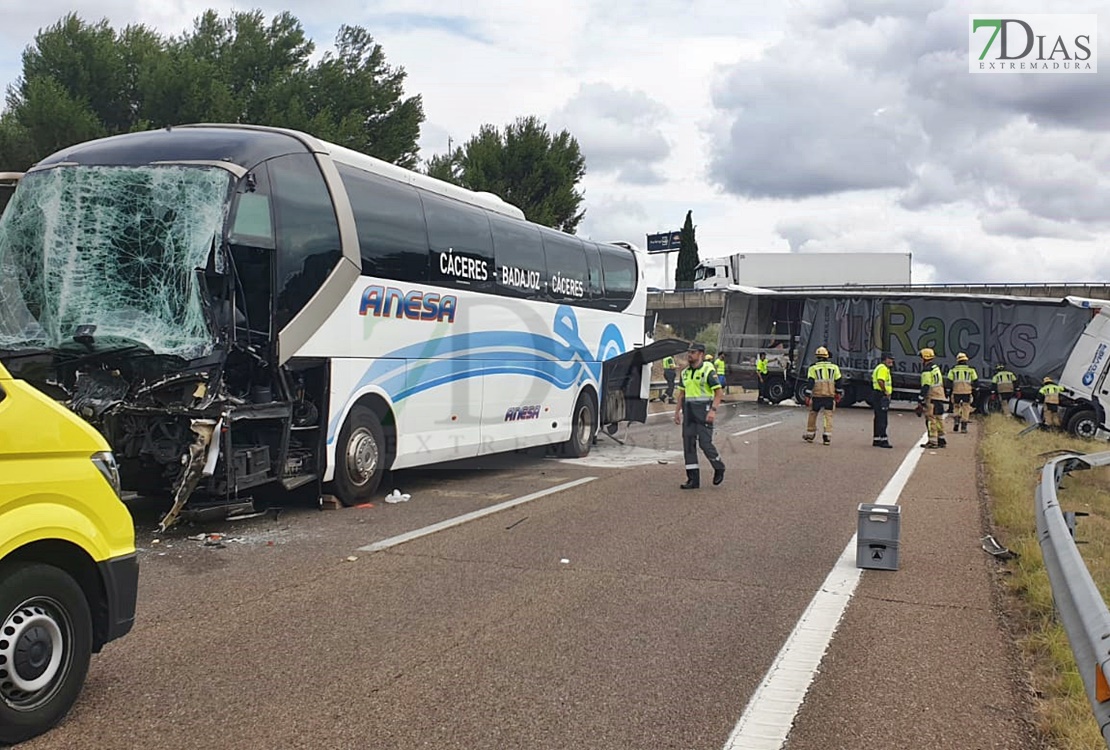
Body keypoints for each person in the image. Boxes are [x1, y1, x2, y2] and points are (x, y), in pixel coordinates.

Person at [673, 342, 726, 489]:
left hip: (704, 411)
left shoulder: (708, 370)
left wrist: (713, 410)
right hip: (689, 412)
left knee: (705, 443)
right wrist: (677, 412)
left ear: (701, 354)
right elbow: (682, 394)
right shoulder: (685, 373)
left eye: (693, 352)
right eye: (689, 352)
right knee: (688, 445)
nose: (689, 355)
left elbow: (719, 393)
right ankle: (693, 479)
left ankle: (719, 466)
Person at [803, 346, 842, 445]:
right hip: (829, 395)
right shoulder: (834, 367)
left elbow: (810, 382)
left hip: (817, 395)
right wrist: (838, 393)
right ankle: (827, 436)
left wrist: (807, 395)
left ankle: (810, 434)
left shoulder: (813, 368)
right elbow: (838, 381)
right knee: (828, 415)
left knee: (813, 414)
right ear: (827, 356)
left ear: (817, 356)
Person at [917, 348, 948, 449]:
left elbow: (926, 385)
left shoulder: (927, 370)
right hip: (939, 395)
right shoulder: (935, 368)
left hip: (932, 396)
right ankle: (941, 439)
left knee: (931, 419)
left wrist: (921, 398)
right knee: (939, 418)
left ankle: (932, 441)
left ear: (924, 358)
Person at [946, 352, 979, 433]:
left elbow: (949, 381)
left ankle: (956, 421)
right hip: (967, 392)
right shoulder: (971, 370)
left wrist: (949, 390)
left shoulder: (953, 370)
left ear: (958, 360)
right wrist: (975, 389)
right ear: (965, 360)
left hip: (956, 391)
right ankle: (964, 427)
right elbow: (975, 381)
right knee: (966, 408)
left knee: (956, 407)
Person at [871, 352, 894, 449]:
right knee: (882, 418)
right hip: (881, 394)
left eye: (892, 359)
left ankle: (876, 439)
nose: (891, 361)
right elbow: (881, 381)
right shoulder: (883, 369)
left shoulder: (880, 368)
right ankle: (883, 439)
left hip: (878, 394)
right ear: (884, 359)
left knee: (878, 416)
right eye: (889, 359)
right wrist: (885, 391)